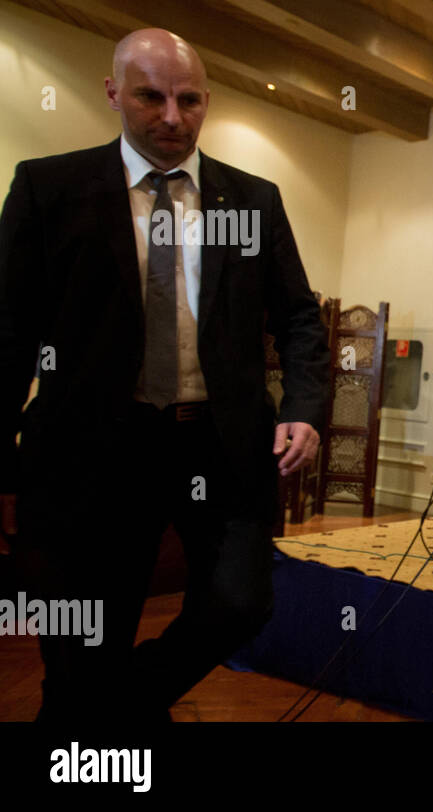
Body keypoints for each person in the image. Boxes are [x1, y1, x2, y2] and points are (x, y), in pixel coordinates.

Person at [0, 28, 329, 720]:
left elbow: (299, 316)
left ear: (206, 100)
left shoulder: (253, 200)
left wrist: (302, 407)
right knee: (87, 636)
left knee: (240, 602)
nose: (172, 117)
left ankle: (117, 705)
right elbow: (10, 333)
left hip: (217, 444)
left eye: (189, 99)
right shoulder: (49, 188)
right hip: (92, 452)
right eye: (151, 96)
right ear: (114, 92)